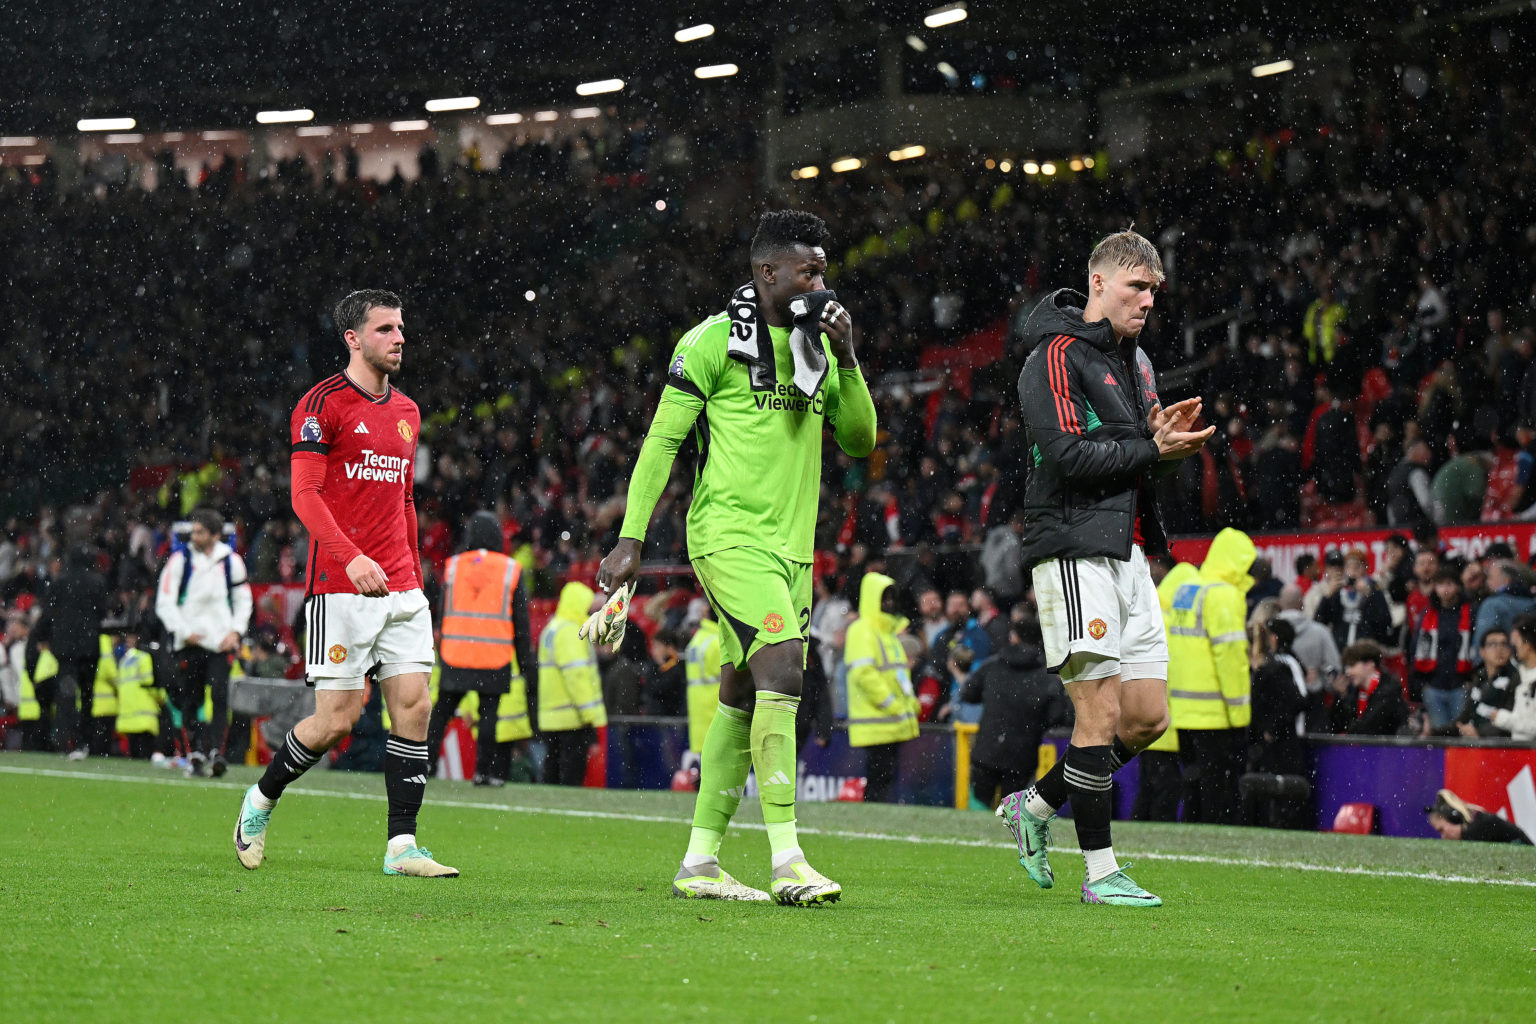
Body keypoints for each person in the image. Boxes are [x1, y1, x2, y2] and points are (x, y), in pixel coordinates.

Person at [597, 209, 876, 905]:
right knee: (783, 666)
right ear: (767, 272)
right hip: (727, 536)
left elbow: (861, 441)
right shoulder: (715, 341)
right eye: (808, 270)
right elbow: (661, 443)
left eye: (824, 269)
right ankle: (788, 860)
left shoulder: (817, 350)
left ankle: (699, 863)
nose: (820, 281)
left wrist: (847, 357)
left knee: (744, 694)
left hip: (793, 551)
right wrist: (631, 537)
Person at [997, 229, 1212, 907]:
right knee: (1098, 713)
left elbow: (1135, 451)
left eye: (1154, 290)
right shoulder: (1053, 355)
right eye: (1135, 287)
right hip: (1069, 549)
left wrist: (1165, 442)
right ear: (1098, 283)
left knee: (1146, 717)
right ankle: (1102, 873)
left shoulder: (1139, 362)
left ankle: (1034, 807)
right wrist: (1151, 449)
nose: (1147, 300)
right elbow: (1066, 455)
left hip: (1127, 551)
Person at [233, 289, 456, 878]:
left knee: (414, 706)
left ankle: (402, 846)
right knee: (337, 720)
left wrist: (411, 571)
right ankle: (259, 801)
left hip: (401, 587)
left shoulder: (407, 412)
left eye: (401, 328)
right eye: (385, 329)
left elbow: (404, 498)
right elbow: (303, 495)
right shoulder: (320, 404)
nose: (399, 338)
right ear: (354, 339)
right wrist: (352, 556)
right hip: (340, 586)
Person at [425, 510, 536, 787]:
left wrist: (441, 648)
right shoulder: (510, 569)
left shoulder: (453, 566)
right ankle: (483, 772)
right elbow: (521, 623)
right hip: (493, 655)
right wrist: (525, 665)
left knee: (441, 712)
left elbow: (442, 614)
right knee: (489, 716)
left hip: (456, 652)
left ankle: (425, 764)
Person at [154, 507, 253, 777]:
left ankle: (216, 752)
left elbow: (244, 600)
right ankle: (195, 752)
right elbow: (164, 602)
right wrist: (182, 630)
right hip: (190, 642)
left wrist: (236, 632)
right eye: (193, 531)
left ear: (215, 535)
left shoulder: (230, 562)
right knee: (191, 699)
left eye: (200, 532)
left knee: (220, 696)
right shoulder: (179, 561)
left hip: (221, 642)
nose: (194, 536)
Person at [1167, 528, 1256, 826]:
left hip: (1184, 711)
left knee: (1194, 785)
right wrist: (1240, 714)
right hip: (1215, 714)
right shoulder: (1224, 596)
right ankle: (1220, 847)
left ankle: (1194, 849)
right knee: (1220, 791)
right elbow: (1230, 660)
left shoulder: (1189, 590)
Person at [959, 619, 1070, 810]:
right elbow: (1060, 716)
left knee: (978, 805)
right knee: (1013, 812)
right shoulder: (1048, 676)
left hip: (987, 749)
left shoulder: (993, 665)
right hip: (1022, 755)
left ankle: (975, 837)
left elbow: (968, 693)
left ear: (1013, 637)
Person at [844, 571, 919, 803]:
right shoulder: (862, 629)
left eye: (891, 598)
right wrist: (892, 704)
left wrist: (909, 704)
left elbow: (898, 675)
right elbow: (863, 674)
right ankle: (871, 821)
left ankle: (875, 819)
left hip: (891, 720)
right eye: (884, 599)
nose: (890, 603)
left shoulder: (888, 633)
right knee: (879, 779)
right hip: (878, 718)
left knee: (884, 778)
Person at [32, 543, 109, 758]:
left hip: (65, 649)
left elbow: (47, 614)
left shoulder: (60, 583)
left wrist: (40, 636)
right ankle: (86, 742)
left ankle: (69, 741)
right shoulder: (97, 582)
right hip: (90, 647)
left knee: (67, 695)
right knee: (87, 695)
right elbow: (103, 612)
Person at [538, 581, 606, 784]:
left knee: (552, 771)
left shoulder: (552, 628)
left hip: (552, 715)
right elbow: (576, 677)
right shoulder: (570, 631)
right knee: (570, 776)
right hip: (571, 717)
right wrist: (590, 716)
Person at [1407, 567, 1473, 730]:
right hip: (1433, 687)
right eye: (1441, 584)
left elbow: (1475, 648)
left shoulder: (1469, 612)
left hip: (1460, 686)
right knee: (1439, 736)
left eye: (1449, 584)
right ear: (1435, 588)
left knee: (1460, 736)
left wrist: (1470, 681)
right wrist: (1422, 684)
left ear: (1458, 586)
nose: (1445, 589)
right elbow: (1415, 648)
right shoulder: (1427, 613)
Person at [1313, 548, 1395, 652]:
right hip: (1340, 651)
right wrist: (1328, 596)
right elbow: (1319, 621)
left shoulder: (1374, 589)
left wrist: (1370, 595)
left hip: (1365, 651)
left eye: (1357, 567)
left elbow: (1384, 623)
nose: (1352, 572)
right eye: (1348, 567)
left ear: (1365, 569)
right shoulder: (1338, 592)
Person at [1328, 640, 1409, 735]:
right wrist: (1342, 696)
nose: (1348, 672)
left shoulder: (1388, 692)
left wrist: (1345, 699)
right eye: (1347, 667)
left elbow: (1365, 730)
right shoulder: (1356, 692)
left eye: (1352, 665)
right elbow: (1336, 726)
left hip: (1384, 749)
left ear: (1370, 665)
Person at [1479, 613, 1536, 741]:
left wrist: (1503, 718)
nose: (1513, 645)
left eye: (1517, 641)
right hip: (1519, 753)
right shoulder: (1519, 677)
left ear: (1528, 646)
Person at [112, 625, 163, 758]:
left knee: (135, 751)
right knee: (143, 750)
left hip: (129, 709)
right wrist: (161, 697)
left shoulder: (124, 660)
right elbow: (149, 682)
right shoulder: (144, 657)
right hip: (143, 708)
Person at [1458, 629, 1518, 737]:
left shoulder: (1516, 679)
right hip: (1476, 744)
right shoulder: (1478, 679)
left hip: (1501, 747)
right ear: (1482, 652)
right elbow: (1464, 718)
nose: (1500, 649)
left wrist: (1478, 732)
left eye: (1504, 644)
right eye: (1493, 644)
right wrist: (1433, 733)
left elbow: (1513, 720)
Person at [683, 605, 722, 759]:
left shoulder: (697, 640)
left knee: (705, 768)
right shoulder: (717, 641)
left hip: (699, 716)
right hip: (714, 713)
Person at [1425, 789, 1532, 844]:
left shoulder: (1477, 829)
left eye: (1442, 830)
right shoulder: (1476, 823)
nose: (1443, 837)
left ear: (1455, 819)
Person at [642, 628, 687, 718]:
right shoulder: (654, 667)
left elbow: (658, 689)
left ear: (670, 648)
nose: (653, 651)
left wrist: (658, 665)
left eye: (657, 646)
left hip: (672, 723)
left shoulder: (678, 669)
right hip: (654, 722)